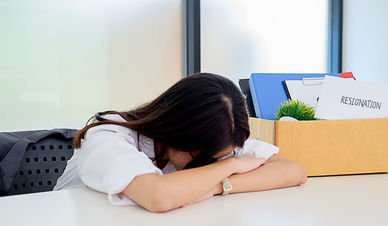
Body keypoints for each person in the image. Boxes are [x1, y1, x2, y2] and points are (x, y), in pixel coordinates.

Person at [54, 73, 307, 212]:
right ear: (174, 130)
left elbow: (293, 171)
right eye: (204, 156)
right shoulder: (109, 134)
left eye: (220, 158)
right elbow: (159, 196)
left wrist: (218, 186)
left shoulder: (218, 139)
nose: (210, 162)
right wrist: (231, 166)